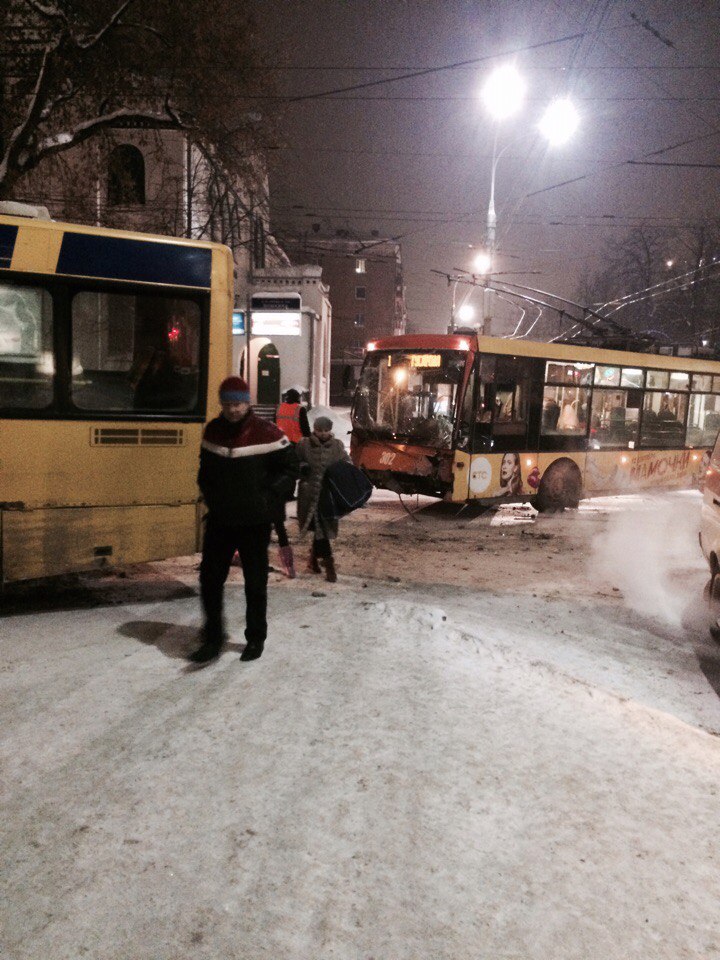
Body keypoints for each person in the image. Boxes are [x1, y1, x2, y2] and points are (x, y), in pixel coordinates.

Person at [189, 376, 298, 664]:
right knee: (210, 579)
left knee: (255, 581)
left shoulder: (268, 433)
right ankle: (213, 637)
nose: (233, 410)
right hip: (221, 520)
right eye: (227, 404)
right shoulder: (213, 431)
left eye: (237, 403)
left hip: (254, 522)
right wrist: (211, 496)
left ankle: (255, 638)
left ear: (247, 402)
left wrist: (267, 498)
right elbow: (205, 471)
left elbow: (289, 470)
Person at [296, 416, 350, 582]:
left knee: (322, 529)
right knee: (318, 528)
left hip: (327, 496)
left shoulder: (337, 447)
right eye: (320, 430)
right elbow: (292, 462)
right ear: (314, 429)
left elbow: (346, 464)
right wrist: (301, 467)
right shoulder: (304, 445)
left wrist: (340, 473)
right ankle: (323, 563)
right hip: (308, 494)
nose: (323, 434)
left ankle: (323, 562)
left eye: (326, 430)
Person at [273, 388, 311, 577]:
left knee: (282, 470)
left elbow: (274, 424)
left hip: (280, 442)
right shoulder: (300, 410)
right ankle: (288, 493)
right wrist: (309, 439)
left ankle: (286, 493)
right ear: (299, 398)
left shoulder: (279, 408)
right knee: (292, 472)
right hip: (295, 443)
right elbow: (305, 428)